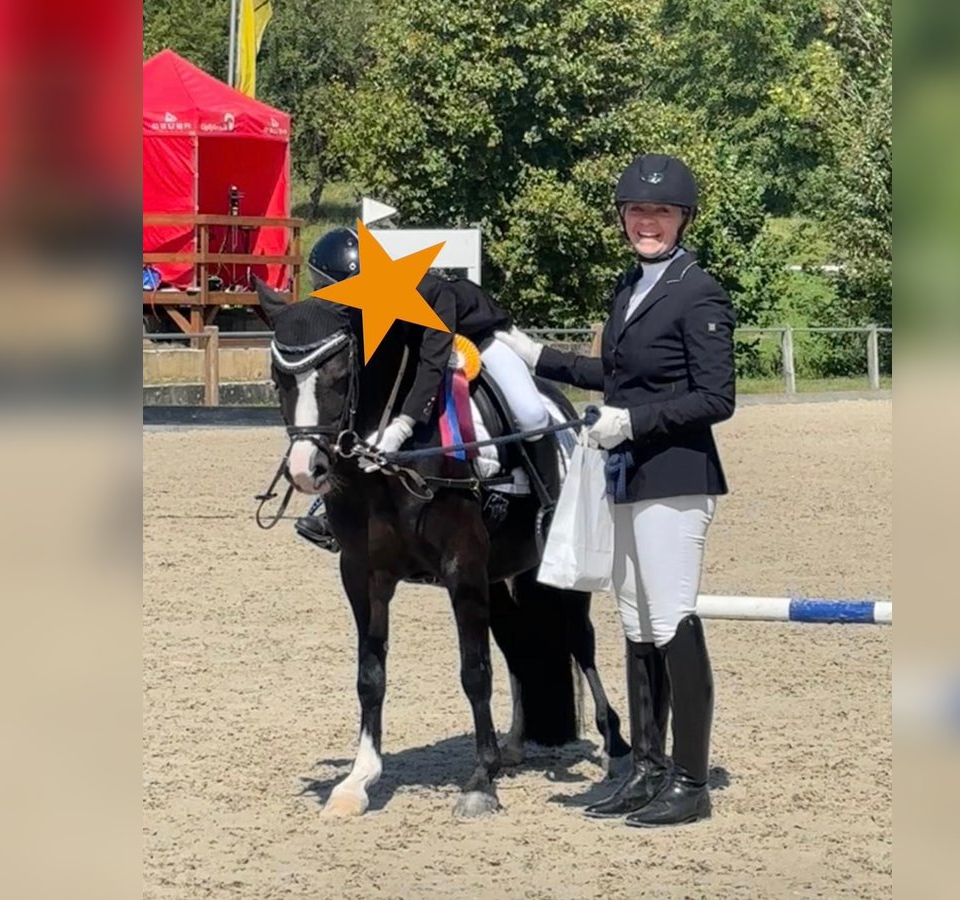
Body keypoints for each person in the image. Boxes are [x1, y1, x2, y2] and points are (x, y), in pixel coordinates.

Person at [494, 153, 736, 828]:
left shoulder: (698, 291)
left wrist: (634, 422)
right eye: (636, 211)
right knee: (635, 622)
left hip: (676, 477)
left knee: (671, 619)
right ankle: (647, 769)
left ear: (682, 219)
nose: (646, 222)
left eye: (660, 212)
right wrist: (534, 355)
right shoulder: (630, 288)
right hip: (626, 474)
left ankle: (691, 781)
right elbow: (618, 375)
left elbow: (717, 397)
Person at [294, 226, 558, 548]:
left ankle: (551, 507)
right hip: (429, 347)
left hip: (481, 338)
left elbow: (432, 365)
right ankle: (336, 512)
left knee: (530, 413)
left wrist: (402, 427)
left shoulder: (428, 294)